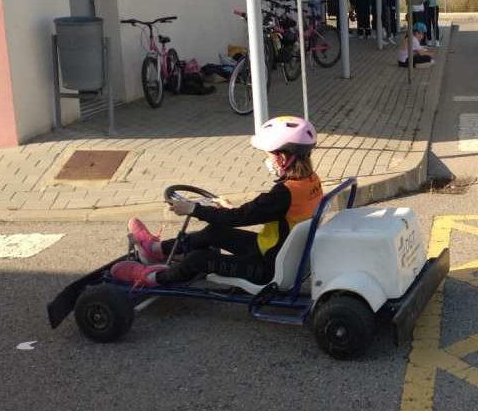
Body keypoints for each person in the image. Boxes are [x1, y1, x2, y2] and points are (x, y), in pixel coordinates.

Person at [110, 116, 324, 288]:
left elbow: (242, 217)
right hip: (280, 255)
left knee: (198, 260)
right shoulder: (309, 181)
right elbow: (254, 213)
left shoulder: (283, 193)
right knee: (215, 232)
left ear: (283, 159)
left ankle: (150, 279)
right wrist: (231, 210)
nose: (267, 161)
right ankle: (156, 249)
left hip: (267, 268)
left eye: (268, 156)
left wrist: (194, 209)